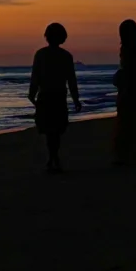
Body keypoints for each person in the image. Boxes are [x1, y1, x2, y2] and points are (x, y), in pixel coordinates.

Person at [28, 23, 81, 172]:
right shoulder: (66, 56)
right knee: (56, 130)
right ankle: (54, 157)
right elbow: (72, 81)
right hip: (58, 97)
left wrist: (32, 94)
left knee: (49, 130)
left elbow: (35, 78)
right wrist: (76, 99)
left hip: (46, 96)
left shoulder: (40, 54)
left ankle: (53, 157)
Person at [113, 18, 136, 165]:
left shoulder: (128, 50)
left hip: (130, 87)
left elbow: (129, 71)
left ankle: (125, 154)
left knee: (125, 120)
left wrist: (124, 86)